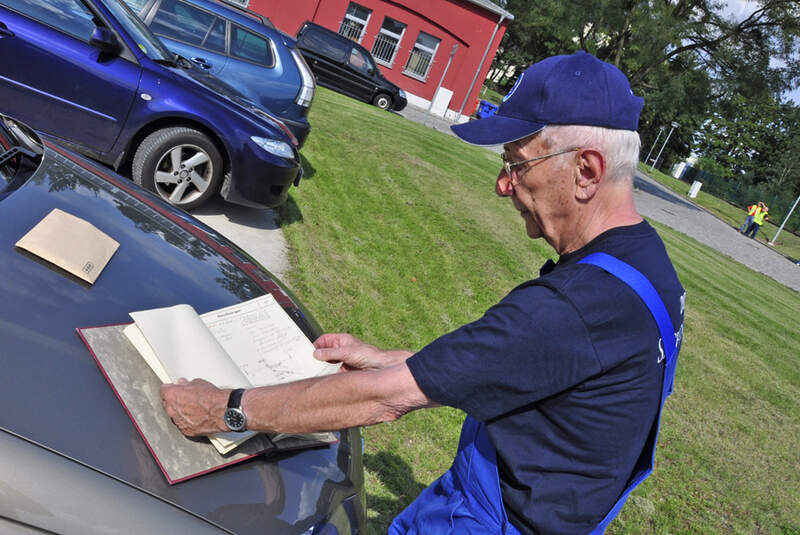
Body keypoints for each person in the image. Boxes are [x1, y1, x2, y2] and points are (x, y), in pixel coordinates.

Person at [161, 51, 686, 535]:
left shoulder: (572, 306)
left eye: (515, 163)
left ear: (586, 171)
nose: (503, 185)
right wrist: (391, 359)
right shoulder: (646, 267)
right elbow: (539, 366)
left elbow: (387, 400)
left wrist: (224, 410)